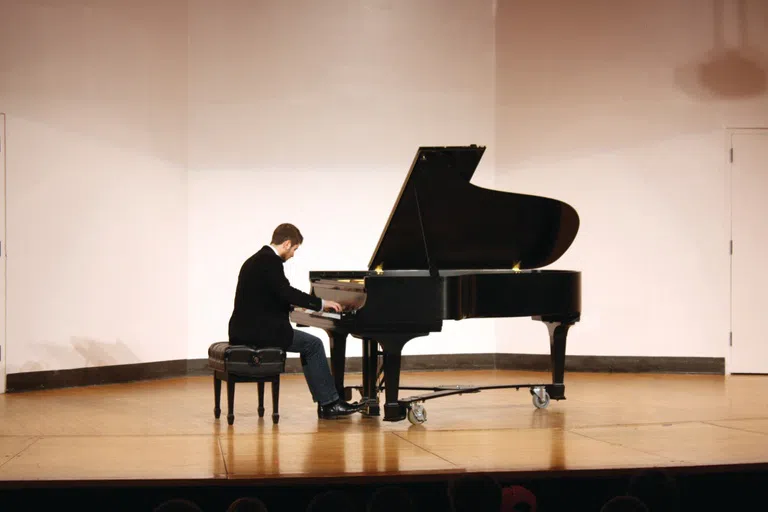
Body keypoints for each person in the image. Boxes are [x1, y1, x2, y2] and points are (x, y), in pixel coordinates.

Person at [228, 223, 362, 419]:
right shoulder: (270, 261)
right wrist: (321, 303)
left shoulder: (255, 260)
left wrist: (294, 307)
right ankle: (330, 403)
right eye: (294, 249)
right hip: (260, 332)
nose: (293, 254)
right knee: (313, 345)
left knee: (309, 344)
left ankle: (326, 401)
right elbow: (286, 292)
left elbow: (267, 297)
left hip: (244, 328)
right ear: (287, 243)